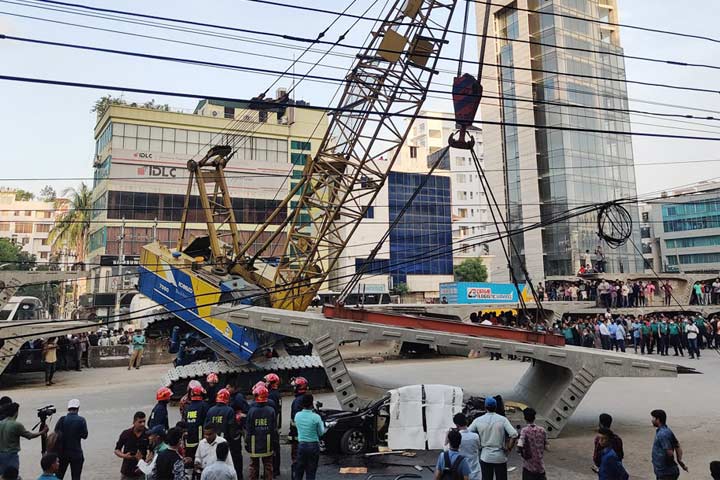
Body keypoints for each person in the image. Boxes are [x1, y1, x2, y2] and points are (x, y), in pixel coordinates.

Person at [468, 396, 518, 480]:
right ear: (495, 407)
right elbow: (514, 434)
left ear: (485, 407)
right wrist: (509, 448)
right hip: (500, 457)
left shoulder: (478, 420)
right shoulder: (503, 420)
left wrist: (478, 445)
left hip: (485, 456)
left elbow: (469, 433)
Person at [0, 403, 48, 475]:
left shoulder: (1, 423)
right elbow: (29, 436)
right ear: (16, 412)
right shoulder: (16, 425)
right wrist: (42, 432)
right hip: (11, 455)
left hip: (1, 454)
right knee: (13, 475)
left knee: (2, 476)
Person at [246, 383, 275, 480]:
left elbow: (249, 429)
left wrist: (247, 443)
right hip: (267, 443)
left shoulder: (251, 411)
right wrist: (274, 443)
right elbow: (273, 429)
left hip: (254, 444)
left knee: (253, 466)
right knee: (268, 466)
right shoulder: (271, 410)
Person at [54, 399, 88, 480]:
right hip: (76, 453)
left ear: (68, 408)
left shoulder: (62, 419)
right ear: (78, 408)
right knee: (76, 477)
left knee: (59, 476)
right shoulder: (81, 420)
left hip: (62, 453)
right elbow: (85, 435)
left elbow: (55, 434)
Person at [294, 394, 324, 480]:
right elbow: (321, 432)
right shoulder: (316, 417)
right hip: (313, 445)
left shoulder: (297, 415)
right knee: (311, 471)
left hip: (302, 445)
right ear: (312, 404)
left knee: (299, 470)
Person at [651, 409, 687, 480]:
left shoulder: (662, 434)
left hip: (666, 474)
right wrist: (680, 461)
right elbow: (677, 445)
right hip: (665, 473)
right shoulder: (666, 430)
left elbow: (669, 453)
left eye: (653, 418)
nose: (652, 420)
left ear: (658, 419)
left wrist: (666, 467)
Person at [114, 411, 149, 480]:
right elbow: (117, 450)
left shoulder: (148, 433)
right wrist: (124, 456)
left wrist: (146, 462)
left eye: (144, 421)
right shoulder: (126, 434)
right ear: (134, 422)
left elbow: (152, 451)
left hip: (141, 471)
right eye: (140, 422)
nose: (142, 424)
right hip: (127, 471)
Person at [517, 408, 547, 480]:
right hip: (540, 466)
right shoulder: (542, 430)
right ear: (534, 417)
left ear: (525, 418)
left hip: (529, 466)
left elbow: (520, 445)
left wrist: (521, 453)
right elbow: (546, 445)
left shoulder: (524, 430)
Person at [289, 377, 309, 478]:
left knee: (296, 460)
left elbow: (295, 420)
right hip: (306, 437)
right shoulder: (307, 398)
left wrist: (291, 436)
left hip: (297, 436)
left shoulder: (297, 401)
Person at [262, 373, 281, 478]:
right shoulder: (276, 393)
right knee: (275, 448)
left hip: (273, 426)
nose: (266, 383)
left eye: (267, 381)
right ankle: (275, 470)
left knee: (273, 449)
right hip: (276, 424)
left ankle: (274, 470)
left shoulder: (272, 395)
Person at [184, 385, 209, 460]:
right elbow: (207, 421)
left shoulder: (188, 407)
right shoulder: (204, 406)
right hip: (200, 439)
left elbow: (185, 420)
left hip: (189, 439)